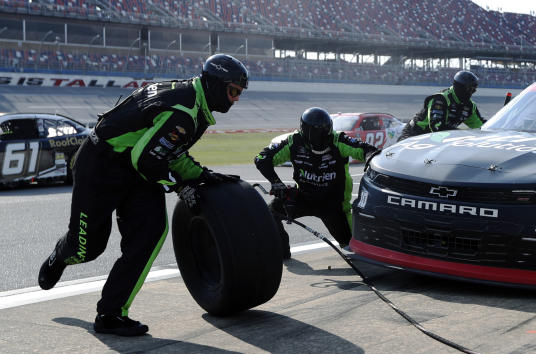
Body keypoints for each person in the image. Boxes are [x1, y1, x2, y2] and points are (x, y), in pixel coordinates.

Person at [38, 54, 249, 336]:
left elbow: (165, 153)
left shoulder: (193, 102)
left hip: (134, 166)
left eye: (239, 93)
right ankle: (59, 257)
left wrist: (202, 175)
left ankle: (111, 313)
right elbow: (147, 160)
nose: (236, 99)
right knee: (87, 248)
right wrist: (181, 186)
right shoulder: (185, 112)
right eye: (233, 91)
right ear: (215, 84)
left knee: (151, 232)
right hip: (101, 165)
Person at [255, 107, 377, 259]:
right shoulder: (293, 141)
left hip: (333, 205)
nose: (321, 145)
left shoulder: (339, 140)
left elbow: (368, 150)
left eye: (324, 138)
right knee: (270, 213)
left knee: (355, 250)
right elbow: (262, 159)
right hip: (304, 198)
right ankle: (282, 251)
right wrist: (276, 183)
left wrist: (371, 162)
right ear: (304, 133)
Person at [398, 70, 485, 140]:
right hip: (414, 133)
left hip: (435, 138)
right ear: (460, 87)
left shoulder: (469, 106)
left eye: (474, 89)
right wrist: (463, 135)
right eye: (470, 89)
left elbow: (481, 127)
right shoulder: (440, 99)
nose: (472, 92)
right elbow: (437, 127)